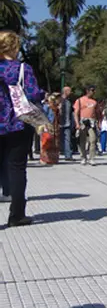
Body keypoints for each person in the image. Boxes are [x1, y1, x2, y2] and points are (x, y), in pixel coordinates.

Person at [0, 30, 45, 227]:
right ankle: (16, 215)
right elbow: (34, 94)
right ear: (15, 47)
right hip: (18, 123)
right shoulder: (22, 69)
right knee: (17, 168)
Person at [74, 85, 99, 166]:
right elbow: (76, 113)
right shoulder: (80, 100)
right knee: (82, 140)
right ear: (87, 91)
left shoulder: (94, 102)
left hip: (91, 122)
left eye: (94, 90)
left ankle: (92, 158)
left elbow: (97, 113)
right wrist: (77, 123)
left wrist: (99, 122)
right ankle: (83, 157)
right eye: (92, 90)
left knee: (93, 140)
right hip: (82, 122)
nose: (93, 92)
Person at [60, 86, 74, 161]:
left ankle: (68, 155)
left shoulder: (69, 102)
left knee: (67, 139)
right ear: (65, 91)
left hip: (67, 123)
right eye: (69, 91)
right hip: (59, 123)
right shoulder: (58, 100)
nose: (70, 93)